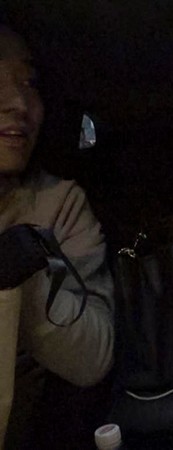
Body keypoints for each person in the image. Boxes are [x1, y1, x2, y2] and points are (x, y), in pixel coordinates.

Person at [0, 25, 114, 447]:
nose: (19, 103)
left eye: (29, 83)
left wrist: (23, 276)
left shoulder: (58, 203)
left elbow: (94, 356)